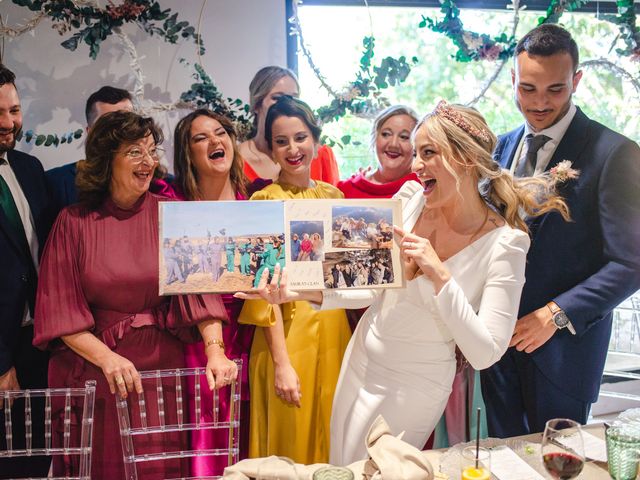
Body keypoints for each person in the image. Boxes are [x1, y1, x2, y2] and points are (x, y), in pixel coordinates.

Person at [249, 100, 571, 466]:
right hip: (362, 359)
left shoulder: (507, 243)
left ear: (464, 159)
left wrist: (441, 276)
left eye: (428, 153)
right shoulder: (409, 201)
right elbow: (368, 286)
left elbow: (486, 353)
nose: (415, 165)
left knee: (378, 471)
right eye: (416, 153)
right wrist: (293, 290)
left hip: (417, 383)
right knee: (342, 466)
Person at [33, 111, 237, 479]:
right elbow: (61, 314)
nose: (148, 162)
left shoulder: (173, 215)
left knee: (162, 468)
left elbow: (201, 295)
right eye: (134, 152)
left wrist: (215, 352)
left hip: (162, 372)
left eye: (151, 150)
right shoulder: (73, 223)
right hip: (101, 374)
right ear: (107, 159)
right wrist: (109, 360)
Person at [482, 24, 640, 437]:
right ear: (513, 80)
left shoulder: (614, 153)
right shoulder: (499, 148)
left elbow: (631, 262)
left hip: (563, 355)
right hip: (495, 346)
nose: (539, 103)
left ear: (577, 81)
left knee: (557, 462)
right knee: (500, 459)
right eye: (528, 89)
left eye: (555, 89)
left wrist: (555, 315)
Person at [234, 96, 351, 464]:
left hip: (335, 337)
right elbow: (260, 298)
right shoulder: (262, 203)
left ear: (315, 140)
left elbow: (345, 277)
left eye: (300, 137)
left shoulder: (334, 197)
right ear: (271, 148)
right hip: (285, 340)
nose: (292, 149)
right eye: (281, 141)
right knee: (289, 449)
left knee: (334, 441)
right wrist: (282, 364)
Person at [172, 108, 255, 476]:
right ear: (187, 154)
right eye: (200, 138)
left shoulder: (256, 199)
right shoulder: (174, 204)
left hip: (254, 329)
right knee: (209, 430)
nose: (214, 141)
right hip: (199, 334)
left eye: (220, 133)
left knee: (252, 429)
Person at [0, 63, 53, 477]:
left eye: (14, 110)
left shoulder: (30, 168)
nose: (8, 123)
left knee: (38, 459)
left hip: (39, 342)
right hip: (1, 351)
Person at [238, 66, 340, 185]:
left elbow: (335, 200)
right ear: (256, 104)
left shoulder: (321, 155)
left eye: (293, 98)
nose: (285, 104)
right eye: (277, 98)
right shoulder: (236, 159)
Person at [45, 86, 134, 212]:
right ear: (90, 131)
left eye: (127, 123)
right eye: (107, 124)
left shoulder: (160, 185)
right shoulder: (56, 184)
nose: (118, 132)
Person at [338, 104, 420, 198]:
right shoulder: (344, 190)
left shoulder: (426, 190)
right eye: (386, 134)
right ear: (374, 138)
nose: (393, 144)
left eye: (404, 137)